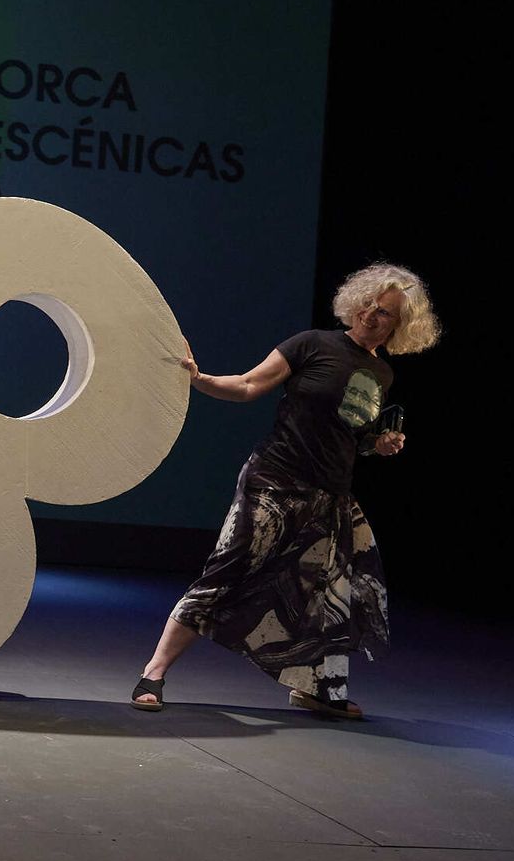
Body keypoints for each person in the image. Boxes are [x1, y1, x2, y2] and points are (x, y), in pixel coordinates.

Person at [131, 263, 439, 718]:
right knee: (226, 572)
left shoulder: (381, 374)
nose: (371, 315)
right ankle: (153, 672)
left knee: (327, 594)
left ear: (400, 325)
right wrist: (200, 379)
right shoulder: (312, 344)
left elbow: (352, 435)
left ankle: (316, 689)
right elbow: (248, 385)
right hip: (274, 481)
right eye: (369, 304)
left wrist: (378, 444)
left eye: (385, 313)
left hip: (330, 496)